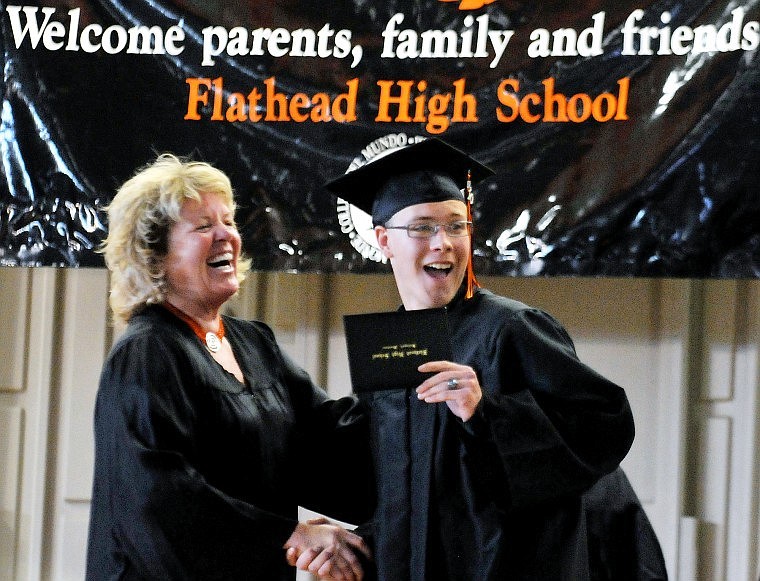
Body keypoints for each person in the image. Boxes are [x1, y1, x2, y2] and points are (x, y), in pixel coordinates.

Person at [325, 137, 667, 580]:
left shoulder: (511, 328)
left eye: (456, 226)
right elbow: (400, 489)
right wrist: (349, 542)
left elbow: (603, 424)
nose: (443, 243)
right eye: (423, 227)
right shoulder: (389, 344)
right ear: (384, 240)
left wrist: (488, 414)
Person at [86, 154, 374, 581]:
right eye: (204, 226)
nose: (228, 236)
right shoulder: (148, 355)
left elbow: (323, 441)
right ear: (155, 255)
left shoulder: (254, 344)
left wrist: (407, 402)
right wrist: (291, 536)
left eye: (230, 222)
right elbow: (159, 502)